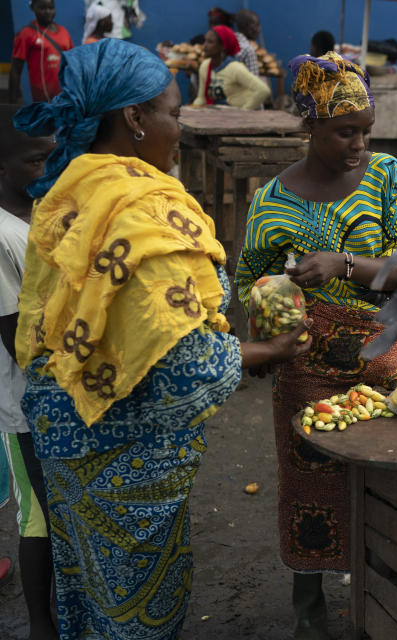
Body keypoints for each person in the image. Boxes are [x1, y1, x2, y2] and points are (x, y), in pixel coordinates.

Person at [13, 39, 311, 639]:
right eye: (172, 114)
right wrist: (270, 351)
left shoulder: (70, 188)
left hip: (65, 438)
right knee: (134, 610)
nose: (180, 129)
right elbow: (183, 365)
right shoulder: (137, 210)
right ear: (133, 119)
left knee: (85, 596)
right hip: (120, 458)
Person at [234, 52, 397, 640]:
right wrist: (271, 318)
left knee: (391, 485)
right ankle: (309, 609)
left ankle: (390, 599)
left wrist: (345, 265)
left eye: (366, 130)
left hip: (387, 365)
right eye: (346, 131)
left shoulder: (389, 178)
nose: (359, 144)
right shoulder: (272, 202)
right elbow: (250, 281)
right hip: (306, 371)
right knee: (310, 486)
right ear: (309, 125)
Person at [0, 104, 58, 640]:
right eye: (35, 159)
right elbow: (16, 335)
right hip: (26, 403)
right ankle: (41, 624)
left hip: (55, 395)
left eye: (50, 154)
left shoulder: (38, 213)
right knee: (36, 518)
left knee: (56, 510)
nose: (47, 165)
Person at [9, 0, 73, 104]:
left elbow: (71, 63)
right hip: (42, 101)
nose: (48, 12)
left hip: (65, 98)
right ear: (33, 8)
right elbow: (16, 69)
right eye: (42, 8)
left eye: (51, 8)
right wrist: (14, 99)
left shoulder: (64, 32)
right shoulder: (26, 34)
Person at [193, 26, 271, 110]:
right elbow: (201, 98)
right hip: (217, 116)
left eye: (210, 42)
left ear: (223, 46)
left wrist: (244, 111)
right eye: (205, 41)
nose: (204, 46)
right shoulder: (205, 66)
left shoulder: (235, 68)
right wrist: (192, 110)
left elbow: (263, 90)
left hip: (236, 118)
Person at [235, 9, 262, 76]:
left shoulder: (227, 43)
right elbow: (253, 83)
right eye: (256, 25)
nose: (259, 29)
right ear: (246, 26)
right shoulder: (248, 50)